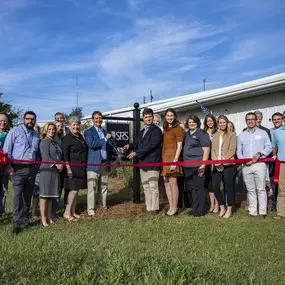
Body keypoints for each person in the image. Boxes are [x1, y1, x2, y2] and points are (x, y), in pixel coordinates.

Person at [3, 111, 40, 234]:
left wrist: (36, 167)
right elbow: (6, 151)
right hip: (17, 169)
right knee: (18, 196)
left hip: (31, 169)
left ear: (35, 121)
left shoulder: (36, 135)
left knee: (27, 196)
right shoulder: (15, 132)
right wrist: (9, 167)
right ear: (23, 119)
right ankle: (16, 223)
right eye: (28, 119)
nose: (30, 121)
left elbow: (36, 153)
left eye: (32, 119)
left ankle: (24, 219)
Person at [237, 112, 272, 218]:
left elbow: (269, 147)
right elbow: (239, 151)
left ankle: (262, 212)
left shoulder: (263, 133)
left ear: (256, 120)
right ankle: (253, 211)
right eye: (248, 119)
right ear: (246, 121)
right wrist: (243, 161)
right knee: (250, 189)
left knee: (261, 189)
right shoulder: (241, 135)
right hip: (246, 166)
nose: (250, 121)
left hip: (259, 164)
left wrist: (260, 153)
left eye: (252, 119)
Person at [127, 108, 162, 213]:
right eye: (146, 117)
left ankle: (154, 208)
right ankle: (149, 207)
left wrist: (136, 153)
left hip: (153, 162)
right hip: (143, 162)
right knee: (146, 186)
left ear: (152, 117)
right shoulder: (141, 132)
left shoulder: (157, 131)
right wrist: (129, 145)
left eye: (150, 117)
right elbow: (137, 144)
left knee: (153, 186)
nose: (148, 119)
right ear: (143, 118)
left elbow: (150, 146)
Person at [84, 111, 113, 216]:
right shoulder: (89, 132)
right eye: (96, 118)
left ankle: (102, 206)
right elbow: (91, 144)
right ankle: (91, 210)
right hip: (93, 164)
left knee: (104, 187)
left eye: (100, 118)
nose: (98, 120)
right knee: (92, 188)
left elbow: (108, 146)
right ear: (92, 120)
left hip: (105, 163)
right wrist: (105, 139)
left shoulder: (105, 132)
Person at [183, 115, 210, 217]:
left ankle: (201, 209)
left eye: (193, 122)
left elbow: (206, 151)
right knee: (192, 188)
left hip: (198, 165)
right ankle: (194, 208)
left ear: (197, 123)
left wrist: (203, 166)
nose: (191, 124)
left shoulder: (202, 134)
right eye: (189, 122)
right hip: (187, 166)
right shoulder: (186, 134)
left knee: (200, 188)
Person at [62, 116, 87, 222]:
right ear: (69, 126)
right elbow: (65, 155)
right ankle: (67, 213)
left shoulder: (80, 137)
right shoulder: (67, 139)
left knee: (76, 191)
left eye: (77, 124)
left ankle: (73, 211)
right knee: (72, 191)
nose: (76, 126)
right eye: (74, 125)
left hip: (81, 167)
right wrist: (68, 168)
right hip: (72, 168)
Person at [211, 115, 237, 218]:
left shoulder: (232, 135)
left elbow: (232, 150)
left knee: (228, 186)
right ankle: (222, 207)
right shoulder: (215, 135)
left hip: (228, 164)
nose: (222, 124)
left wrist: (223, 160)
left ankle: (229, 209)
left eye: (223, 122)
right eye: (220, 122)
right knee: (215, 186)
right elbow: (213, 150)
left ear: (226, 123)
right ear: (218, 124)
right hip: (216, 165)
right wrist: (215, 161)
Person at [39, 123, 63, 227]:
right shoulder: (44, 142)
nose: (52, 131)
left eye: (53, 129)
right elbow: (45, 157)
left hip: (55, 172)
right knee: (44, 196)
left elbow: (58, 156)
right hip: (47, 171)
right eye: (49, 129)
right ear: (45, 130)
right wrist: (56, 164)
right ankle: (43, 219)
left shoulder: (55, 142)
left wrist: (60, 163)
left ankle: (49, 217)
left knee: (50, 196)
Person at [161, 108, 184, 216]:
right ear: (165, 117)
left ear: (174, 116)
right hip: (164, 158)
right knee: (166, 183)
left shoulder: (178, 128)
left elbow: (180, 145)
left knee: (173, 183)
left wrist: (175, 161)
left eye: (172, 115)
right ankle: (170, 206)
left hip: (173, 158)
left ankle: (175, 207)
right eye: (168, 115)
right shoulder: (165, 128)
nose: (170, 117)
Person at [203, 114, 219, 213]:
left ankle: (217, 204)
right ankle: (212, 205)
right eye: (208, 121)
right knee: (209, 184)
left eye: (211, 121)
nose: (210, 123)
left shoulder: (217, 132)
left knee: (216, 184)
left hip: (216, 159)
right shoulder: (203, 133)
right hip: (206, 159)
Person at [269, 112, 283, 211]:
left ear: (282, 119)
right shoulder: (270, 132)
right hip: (274, 161)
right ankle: (275, 205)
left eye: (278, 119)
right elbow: (271, 146)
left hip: (282, 160)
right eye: (274, 119)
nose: (276, 121)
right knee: (275, 184)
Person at [51, 120, 65, 217]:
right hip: (52, 168)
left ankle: (54, 211)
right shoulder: (51, 140)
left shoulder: (63, 139)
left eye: (61, 126)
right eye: (58, 126)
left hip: (61, 168)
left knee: (59, 190)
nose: (60, 128)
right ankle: (50, 212)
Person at [272, 122, 285, 220]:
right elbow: (274, 146)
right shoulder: (277, 132)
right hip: (282, 163)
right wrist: (274, 154)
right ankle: (281, 212)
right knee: (282, 189)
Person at [153, 113, 165, 203]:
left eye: (158, 122)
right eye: (155, 121)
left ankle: (161, 198)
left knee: (160, 181)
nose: (156, 123)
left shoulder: (160, 131)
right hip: (151, 159)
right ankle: (155, 199)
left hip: (159, 158)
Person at [0, 113, 9, 216]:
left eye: (4, 121)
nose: (2, 122)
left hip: (5, 166)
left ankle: (2, 210)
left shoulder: (8, 134)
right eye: (0, 120)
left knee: (4, 189)